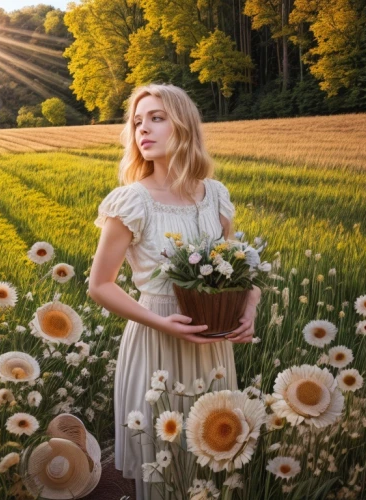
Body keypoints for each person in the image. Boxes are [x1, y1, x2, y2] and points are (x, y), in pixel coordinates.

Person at [88, 83, 261, 499]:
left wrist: (250, 304)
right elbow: (100, 285)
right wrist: (163, 323)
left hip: (213, 347)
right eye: (136, 122)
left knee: (215, 453)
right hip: (155, 343)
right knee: (164, 464)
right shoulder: (132, 201)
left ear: (183, 126)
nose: (142, 130)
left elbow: (236, 269)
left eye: (156, 118)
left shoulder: (215, 195)